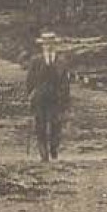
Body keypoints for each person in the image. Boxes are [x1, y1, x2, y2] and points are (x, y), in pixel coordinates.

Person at [26, 33, 73, 162]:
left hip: (56, 98)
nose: (49, 46)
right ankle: (43, 153)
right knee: (40, 125)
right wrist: (30, 95)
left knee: (55, 125)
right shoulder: (36, 60)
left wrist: (66, 99)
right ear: (42, 45)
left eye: (51, 43)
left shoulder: (61, 61)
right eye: (46, 43)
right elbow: (29, 80)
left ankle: (54, 148)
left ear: (55, 45)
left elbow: (65, 81)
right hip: (40, 97)